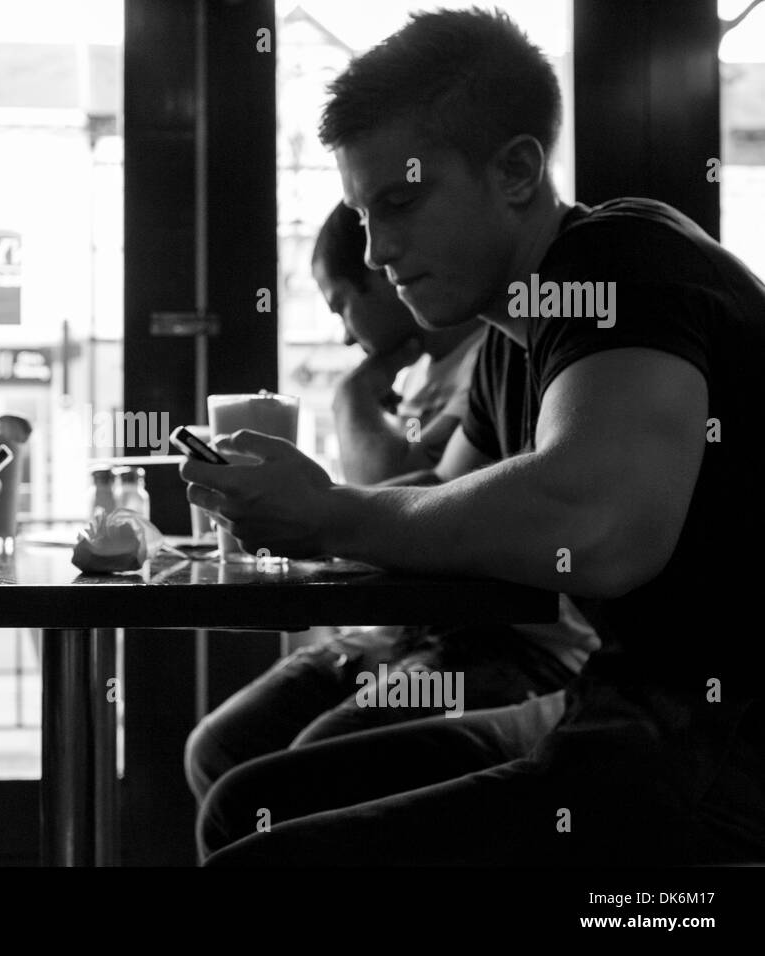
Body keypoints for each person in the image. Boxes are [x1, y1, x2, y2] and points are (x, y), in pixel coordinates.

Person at [184, 8, 765, 865]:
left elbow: (597, 531)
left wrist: (332, 516)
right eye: (363, 213)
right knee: (251, 800)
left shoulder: (621, 264)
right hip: (622, 708)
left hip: (721, 744)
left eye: (403, 201)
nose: (377, 251)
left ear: (518, 171)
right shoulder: (511, 340)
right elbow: (442, 506)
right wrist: (296, 498)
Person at [184, 202, 597, 809]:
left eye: (342, 305)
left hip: (519, 643)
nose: (346, 333)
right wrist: (314, 512)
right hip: (413, 629)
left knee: (296, 778)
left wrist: (351, 400)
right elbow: (426, 491)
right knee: (219, 748)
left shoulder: (499, 350)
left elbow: (401, 487)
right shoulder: (478, 367)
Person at [316, 200, 484, 484]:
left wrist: (352, 394)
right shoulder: (415, 378)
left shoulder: (489, 360)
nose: (346, 337)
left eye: (342, 306)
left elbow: (393, 497)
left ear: (384, 274)